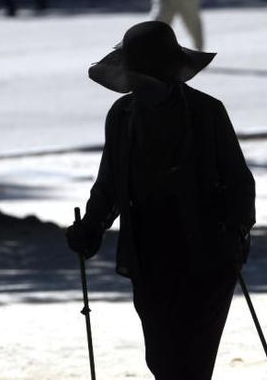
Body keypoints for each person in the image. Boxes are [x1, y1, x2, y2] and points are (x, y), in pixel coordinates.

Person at [66, 21, 255, 379]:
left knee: (191, 362)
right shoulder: (122, 116)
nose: (138, 86)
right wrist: (91, 227)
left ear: (168, 72)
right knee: (162, 359)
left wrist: (238, 230)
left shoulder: (207, 113)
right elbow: (109, 184)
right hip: (148, 254)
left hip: (207, 254)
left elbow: (239, 183)